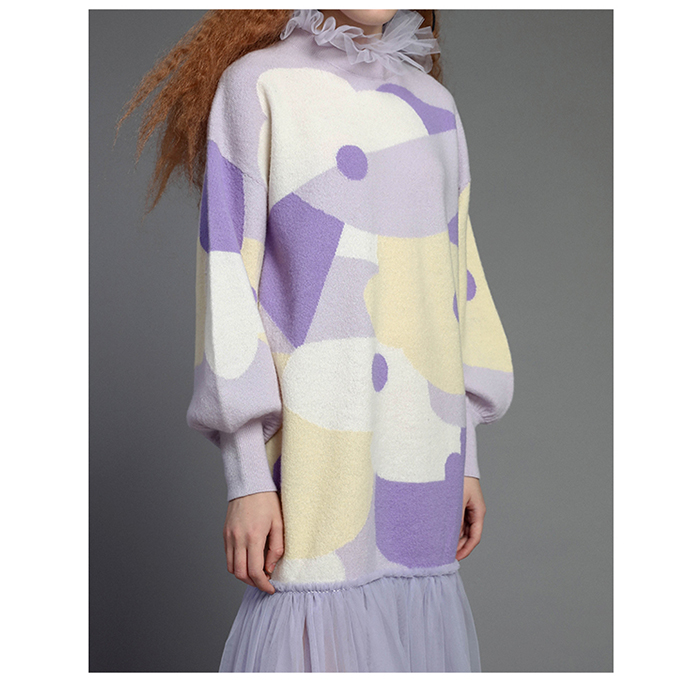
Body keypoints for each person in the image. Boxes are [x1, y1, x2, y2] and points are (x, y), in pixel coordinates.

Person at [118, 8, 514, 672]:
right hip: (315, 458)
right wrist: (247, 478)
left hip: (424, 456)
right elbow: (229, 278)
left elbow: (456, 286)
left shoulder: (435, 106)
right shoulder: (259, 86)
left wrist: (465, 456)